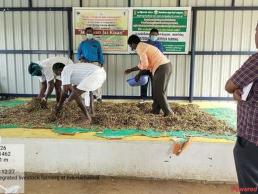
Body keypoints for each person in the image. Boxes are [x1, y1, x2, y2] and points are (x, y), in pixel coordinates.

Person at [225, 24, 258, 194]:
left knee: (250, 184)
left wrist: (234, 91)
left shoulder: (256, 60)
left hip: (253, 136)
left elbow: (229, 85)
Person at [125, 35, 173, 116]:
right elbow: (143, 64)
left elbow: (145, 65)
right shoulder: (143, 46)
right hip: (165, 66)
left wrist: (138, 75)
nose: (131, 47)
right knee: (158, 91)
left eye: (130, 45)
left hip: (161, 67)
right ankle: (155, 110)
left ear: (133, 43)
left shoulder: (140, 48)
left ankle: (169, 113)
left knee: (159, 92)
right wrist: (131, 70)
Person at [77, 27, 104, 102]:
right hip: (85, 64)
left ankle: (98, 97)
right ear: (85, 34)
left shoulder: (96, 43)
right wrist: (81, 59)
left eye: (91, 32)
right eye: (88, 32)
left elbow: (100, 53)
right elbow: (78, 54)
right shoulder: (82, 43)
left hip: (95, 63)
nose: (89, 34)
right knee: (84, 80)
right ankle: (84, 97)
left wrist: (101, 62)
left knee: (97, 80)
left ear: (93, 33)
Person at [139, 28, 165, 103]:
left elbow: (161, 55)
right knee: (144, 82)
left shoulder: (159, 44)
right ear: (149, 35)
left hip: (155, 67)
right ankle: (143, 98)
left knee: (155, 83)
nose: (154, 36)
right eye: (153, 34)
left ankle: (155, 99)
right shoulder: (144, 44)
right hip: (146, 67)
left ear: (158, 36)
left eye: (156, 35)